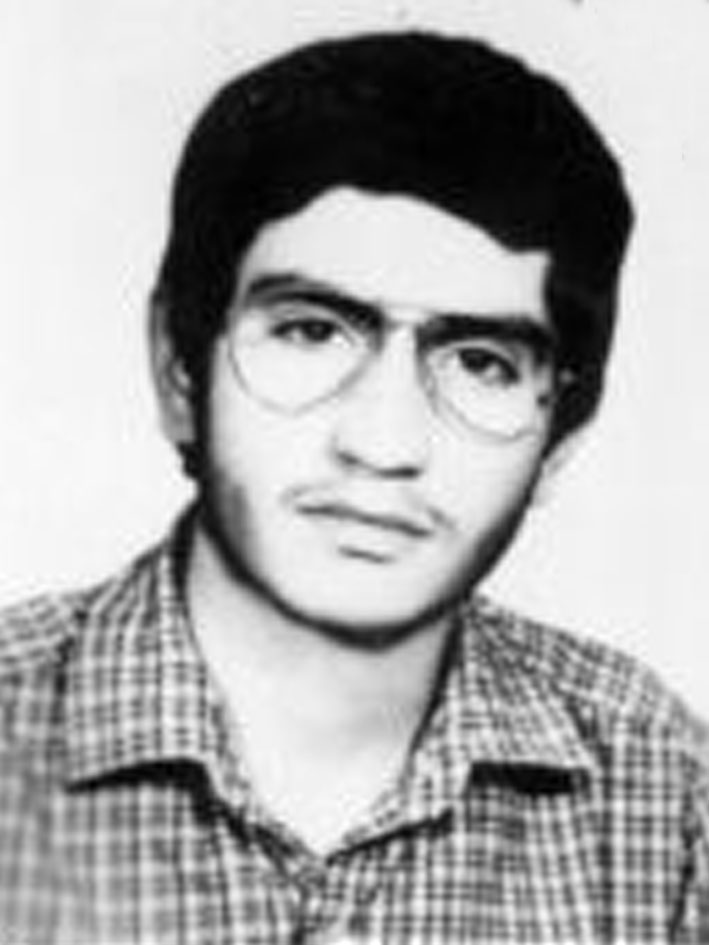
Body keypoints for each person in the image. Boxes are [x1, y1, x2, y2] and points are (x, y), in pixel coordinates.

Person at [0, 30, 707, 945]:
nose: (383, 442)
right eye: (311, 331)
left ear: (560, 439)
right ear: (178, 367)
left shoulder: (661, 790)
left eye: (480, 361)